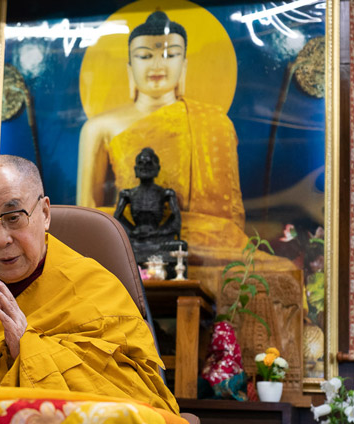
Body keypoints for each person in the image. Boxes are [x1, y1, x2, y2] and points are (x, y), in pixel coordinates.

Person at [0, 155, 179, 414]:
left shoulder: (93, 286)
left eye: (14, 217)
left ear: (45, 213)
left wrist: (26, 347)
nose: (1, 238)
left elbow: (141, 401)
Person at [77, 11, 293, 287]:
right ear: (130, 67)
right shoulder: (99, 127)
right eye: (145, 56)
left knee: (281, 275)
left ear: (184, 65)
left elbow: (228, 223)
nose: (158, 64)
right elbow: (87, 213)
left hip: (209, 247)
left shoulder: (214, 122)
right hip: (130, 245)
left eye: (170, 54)